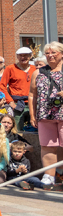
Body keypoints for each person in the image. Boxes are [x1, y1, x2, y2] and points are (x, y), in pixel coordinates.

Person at [29, 41, 63, 188]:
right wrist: (32, 115)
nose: (50, 56)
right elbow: (32, 95)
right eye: (47, 53)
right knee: (47, 146)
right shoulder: (38, 72)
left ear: (61, 54)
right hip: (45, 113)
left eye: (53, 52)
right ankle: (49, 175)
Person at [0, 47, 34, 130]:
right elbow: (2, 86)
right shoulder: (10, 68)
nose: (23, 58)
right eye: (20, 56)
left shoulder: (35, 69)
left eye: (26, 55)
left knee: (34, 129)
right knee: (17, 130)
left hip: (33, 104)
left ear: (30, 56)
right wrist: (10, 102)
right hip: (17, 104)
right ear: (17, 57)